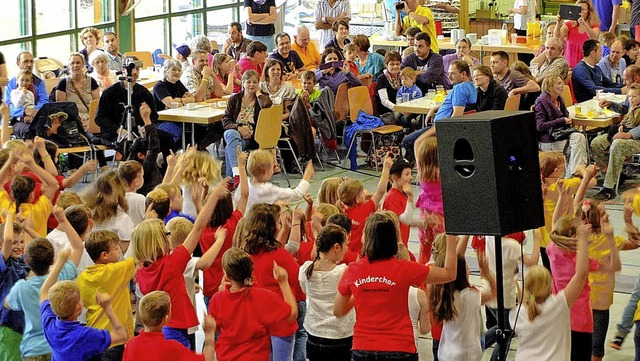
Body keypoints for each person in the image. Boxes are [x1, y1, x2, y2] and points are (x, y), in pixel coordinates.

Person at [334, 212, 457, 361]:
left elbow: (338, 310)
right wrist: (450, 238)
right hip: (400, 348)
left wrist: (364, 291)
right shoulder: (406, 269)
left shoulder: (352, 270)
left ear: (366, 238)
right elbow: (449, 274)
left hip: (364, 348)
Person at [132, 181, 227, 349]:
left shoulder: (140, 271)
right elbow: (198, 228)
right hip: (177, 328)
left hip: (159, 327)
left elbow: (142, 236)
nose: (169, 237)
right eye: (166, 234)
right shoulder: (171, 263)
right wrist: (214, 197)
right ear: (160, 241)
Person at [4, 209, 84, 361]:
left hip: (32, 347)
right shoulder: (60, 275)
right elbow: (78, 247)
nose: (19, 245)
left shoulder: (22, 287)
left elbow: (7, 304)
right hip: (57, 343)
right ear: (53, 259)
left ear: (27, 261)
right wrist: (62, 220)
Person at [511, 226, 590, 361]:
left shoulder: (517, 314)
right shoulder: (558, 305)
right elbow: (581, 275)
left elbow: (527, 303)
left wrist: (516, 283)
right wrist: (582, 239)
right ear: (549, 286)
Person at [209, 247, 299, 361]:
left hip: (227, 357)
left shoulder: (217, 299)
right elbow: (292, 314)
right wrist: (283, 282)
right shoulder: (264, 297)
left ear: (226, 275)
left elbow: (213, 329)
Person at [39, 249, 128, 361]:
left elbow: (44, 291)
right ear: (78, 307)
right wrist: (108, 307)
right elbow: (122, 336)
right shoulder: (85, 335)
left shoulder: (49, 324)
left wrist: (59, 263)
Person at [241, 203, 305, 360]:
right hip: (281, 318)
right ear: (271, 228)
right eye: (278, 222)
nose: (280, 224)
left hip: (257, 317)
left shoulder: (246, 253)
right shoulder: (279, 255)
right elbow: (299, 281)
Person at [298, 225, 355, 361]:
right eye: (345, 245)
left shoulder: (305, 269)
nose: (347, 249)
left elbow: (304, 291)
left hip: (314, 334)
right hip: (340, 336)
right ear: (336, 247)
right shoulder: (343, 271)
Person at [77, 230, 135, 360]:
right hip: (115, 338)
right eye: (116, 248)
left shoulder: (82, 277)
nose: (120, 251)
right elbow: (136, 257)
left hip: (93, 334)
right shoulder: (114, 271)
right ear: (104, 255)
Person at [432, 252, 496, 361]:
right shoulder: (470, 296)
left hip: (446, 353)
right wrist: (486, 274)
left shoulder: (442, 296)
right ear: (462, 272)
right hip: (466, 354)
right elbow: (495, 292)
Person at [123, 291, 216, 361]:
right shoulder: (172, 347)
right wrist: (209, 335)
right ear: (166, 319)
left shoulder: (131, 344)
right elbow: (206, 359)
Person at [402, 60, 477, 145]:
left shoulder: (460, 88)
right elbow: (456, 105)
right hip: (440, 126)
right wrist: (434, 109)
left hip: (441, 129)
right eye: (448, 73)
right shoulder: (471, 86)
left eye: (453, 74)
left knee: (408, 142)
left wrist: (441, 132)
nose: (449, 76)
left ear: (463, 74)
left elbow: (457, 115)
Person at [591, 83, 640, 200]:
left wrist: (629, 134)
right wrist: (611, 104)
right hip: (623, 131)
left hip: (636, 138)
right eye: (629, 96)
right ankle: (614, 175)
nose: (631, 99)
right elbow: (623, 108)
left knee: (617, 145)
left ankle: (608, 188)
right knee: (596, 143)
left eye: (633, 97)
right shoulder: (630, 101)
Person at [337, 154, 392, 255]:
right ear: (357, 198)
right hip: (361, 254)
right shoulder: (364, 209)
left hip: (344, 254)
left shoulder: (340, 208)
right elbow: (380, 191)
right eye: (362, 192)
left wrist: (349, 185)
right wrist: (386, 169)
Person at [534, 75, 588, 177]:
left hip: (560, 134)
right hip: (548, 139)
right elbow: (540, 126)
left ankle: (574, 172)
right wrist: (561, 120)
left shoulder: (559, 99)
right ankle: (573, 174)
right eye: (558, 83)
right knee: (577, 142)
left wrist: (565, 119)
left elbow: (565, 114)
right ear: (550, 86)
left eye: (562, 83)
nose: (562, 85)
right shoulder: (542, 102)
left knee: (579, 137)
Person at [222, 70, 269, 178]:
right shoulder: (235, 99)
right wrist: (239, 128)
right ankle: (237, 174)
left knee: (231, 148)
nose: (251, 85)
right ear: (242, 83)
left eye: (254, 82)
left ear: (258, 84)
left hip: (251, 137)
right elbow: (226, 120)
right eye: (248, 82)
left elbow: (266, 105)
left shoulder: (262, 98)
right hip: (235, 132)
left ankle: (232, 179)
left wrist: (258, 94)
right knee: (231, 135)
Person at [240, 150, 314, 212]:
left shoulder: (244, 186)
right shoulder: (269, 189)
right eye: (273, 167)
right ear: (266, 172)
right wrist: (307, 176)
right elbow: (297, 194)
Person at [4, 52, 49, 140]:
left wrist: (34, 111)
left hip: (36, 115)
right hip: (17, 118)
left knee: (47, 130)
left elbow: (44, 101)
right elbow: (8, 105)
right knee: (28, 131)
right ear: (18, 64)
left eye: (31, 61)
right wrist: (24, 112)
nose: (29, 64)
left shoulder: (39, 82)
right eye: (25, 61)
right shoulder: (11, 83)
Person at [55, 53, 101, 126]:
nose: (75, 65)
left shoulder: (92, 82)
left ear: (83, 64)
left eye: (78, 63)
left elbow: (97, 105)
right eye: (72, 63)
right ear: (69, 66)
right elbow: (60, 109)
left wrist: (90, 121)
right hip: (71, 121)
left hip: (91, 121)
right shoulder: (63, 84)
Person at [554, 0, 601, 68]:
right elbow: (556, 37)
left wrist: (584, 23)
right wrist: (558, 23)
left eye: (582, 9)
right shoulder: (569, 24)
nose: (580, 12)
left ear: (588, 11)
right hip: (569, 65)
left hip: (585, 67)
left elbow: (594, 38)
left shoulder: (594, 26)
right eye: (578, 9)